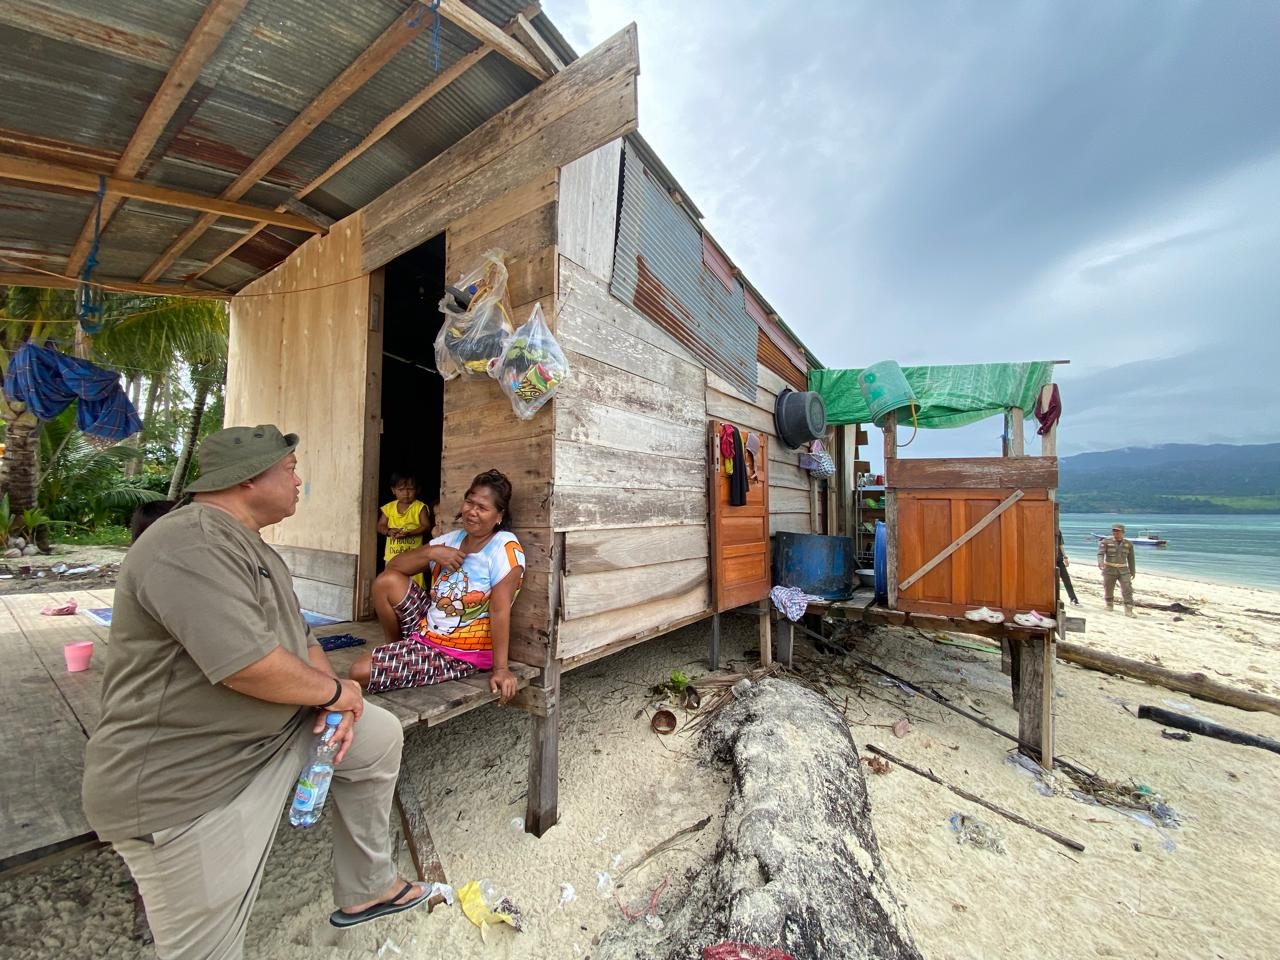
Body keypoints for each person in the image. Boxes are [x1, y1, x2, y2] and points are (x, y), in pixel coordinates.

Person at [82, 425, 433, 960]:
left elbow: (300, 638)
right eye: (290, 470)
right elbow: (248, 667)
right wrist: (336, 693)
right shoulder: (188, 542)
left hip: (270, 737)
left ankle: (367, 888)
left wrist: (336, 695)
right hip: (194, 776)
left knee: (377, 733)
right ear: (249, 479)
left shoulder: (248, 545)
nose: (299, 481)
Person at [350, 469, 523, 703]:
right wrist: (431, 552)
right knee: (386, 582)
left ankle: (404, 655)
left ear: (499, 516)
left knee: (359, 672)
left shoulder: (504, 548)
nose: (472, 511)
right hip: (428, 630)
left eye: (482, 508)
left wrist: (501, 669)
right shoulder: (450, 540)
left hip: (459, 651)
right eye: (469, 502)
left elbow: (500, 610)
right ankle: (398, 647)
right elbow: (394, 567)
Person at [377, 473, 433, 589]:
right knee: (392, 584)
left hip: (414, 557)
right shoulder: (389, 508)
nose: (406, 493)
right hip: (392, 556)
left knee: (415, 586)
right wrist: (389, 531)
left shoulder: (419, 507)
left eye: (410, 489)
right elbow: (380, 526)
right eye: (401, 490)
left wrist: (410, 533)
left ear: (417, 490)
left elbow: (426, 526)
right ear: (393, 490)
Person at [1098, 522, 1136, 616]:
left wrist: (1132, 571)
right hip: (1109, 569)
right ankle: (1109, 604)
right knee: (1108, 587)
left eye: (1118, 531)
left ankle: (1128, 609)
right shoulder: (1106, 541)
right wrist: (1101, 562)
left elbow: (1131, 559)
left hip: (1123, 570)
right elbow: (1101, 553)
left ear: (1123, 532)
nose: (1115, 533)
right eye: (1114, 531)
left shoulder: (1128, 544)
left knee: (1127, 589)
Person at [1056, 529, 1079, 605]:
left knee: (1066, 579)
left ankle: (1073, 599)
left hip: (1059, 559)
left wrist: (1065, 557)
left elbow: (1061, 545)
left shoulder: (1057, 531)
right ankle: (1055, 598)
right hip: (1048, 559)